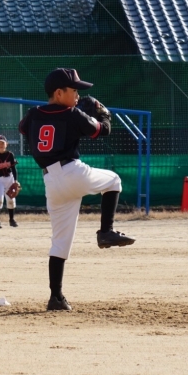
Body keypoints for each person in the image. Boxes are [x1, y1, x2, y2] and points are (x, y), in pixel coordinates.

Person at [18, 68, 135, 311]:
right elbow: (102, 130)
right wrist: (104, 115)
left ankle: (56, 298)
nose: (78, 95)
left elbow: (23, 128)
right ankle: (106, 231)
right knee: (113, 181)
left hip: (51, 181)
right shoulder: (72, 113)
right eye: (74, 90)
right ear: (59, 93)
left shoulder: (32, 114)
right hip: (72, 172)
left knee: (60, 243)